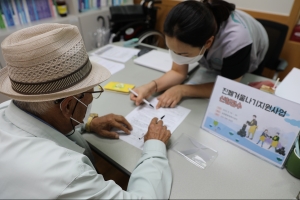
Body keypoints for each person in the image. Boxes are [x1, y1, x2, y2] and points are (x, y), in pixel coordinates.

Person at [0, 23, 172, 199]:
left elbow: (45, 125)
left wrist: (88, 124)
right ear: (67, 106)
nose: (92, 97)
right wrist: (154, 147)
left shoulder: (6, 112)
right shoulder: (66, 174)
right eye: (92, 91)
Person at [130, 0, 268, 109]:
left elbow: (228, 87)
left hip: (251, 50)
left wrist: (183, 90)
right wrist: (150, 87)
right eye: (172, 50)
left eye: (183, 53)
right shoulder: (183, 27)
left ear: (208, 43)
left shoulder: (237, 40)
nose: (177, 57)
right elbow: (178, 72)